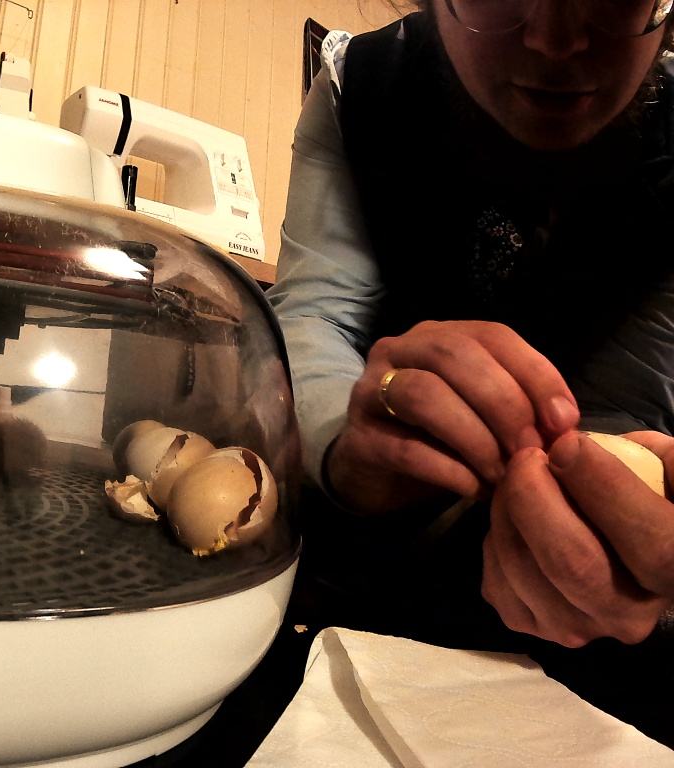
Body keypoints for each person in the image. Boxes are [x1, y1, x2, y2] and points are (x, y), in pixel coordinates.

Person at [268, 0, 674, 739]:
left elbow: (625, 402)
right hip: (346, 573)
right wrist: (341, 448)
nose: (554, 40)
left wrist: (603, 529)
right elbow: (317, 312)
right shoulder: (358, 86)